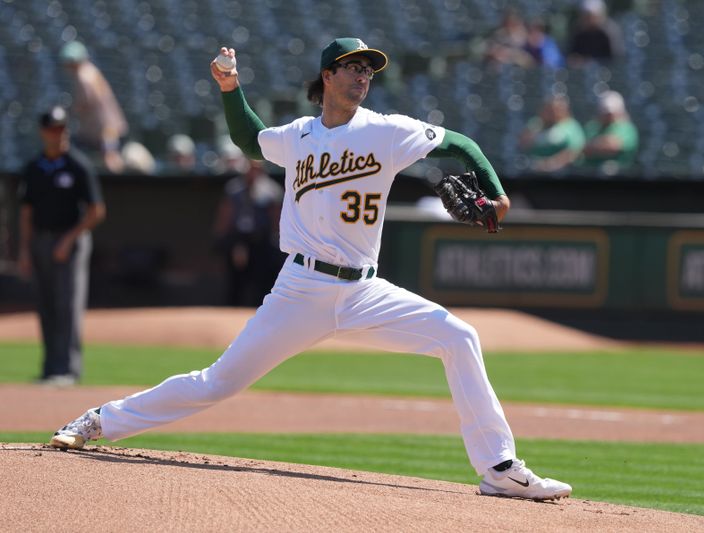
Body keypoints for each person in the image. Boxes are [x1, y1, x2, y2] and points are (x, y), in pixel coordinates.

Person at [49, 38, 572, 502]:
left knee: (458, 337)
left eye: (369, 69)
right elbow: (248, 139)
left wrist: (497, 194)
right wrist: (230, 86)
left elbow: (463, 145)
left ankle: (499, 468)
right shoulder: (298, 136)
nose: (364, 75)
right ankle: (99, 422)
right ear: (327, 76)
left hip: (366, 292)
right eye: (353, 67)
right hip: (301, 288)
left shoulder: (388, 132)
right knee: (217, 383)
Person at [17, 106, 106, 386]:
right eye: (54, 129)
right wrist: (24, 249)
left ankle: (67, 369)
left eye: (63, 128)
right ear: (44, 132)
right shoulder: (34, 168)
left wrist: (70, 239)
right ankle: (49, 368)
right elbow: (26, 211)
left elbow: (96, 210)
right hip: (41, 240)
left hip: (71, 241)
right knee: (45, 303)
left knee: (68, 303)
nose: (59, 134)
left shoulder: (78, 165)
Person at [213, 155, 284, 306]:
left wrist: (277, 240)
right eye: (251, 168)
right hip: (237, 239)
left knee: (262, 279)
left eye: (257, 169)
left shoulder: (271, 190)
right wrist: (221, 235)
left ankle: (259, 310)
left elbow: (276, 218)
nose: (253, 172)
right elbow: (226, 213)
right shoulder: (234, 188)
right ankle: (230, 311)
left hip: (261, 241)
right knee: (235, 279)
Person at [59, 41, 129, 174]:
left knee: (110, 158)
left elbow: (85, 102)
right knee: (110, 156)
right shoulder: (91, 70)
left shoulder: (83, 76)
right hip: (107, 126)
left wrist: (71, 111)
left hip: (102, 128)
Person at [518, 95, 585, 172]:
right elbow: (523, 143)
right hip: (533, 168)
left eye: (558, 109)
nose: (554, 112)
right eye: (550, 109)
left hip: (562, 170)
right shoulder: (537, 123)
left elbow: (574, 152)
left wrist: (549, 165)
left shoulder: (571, 126)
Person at [579, 90, 639, 173]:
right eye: (605, 112)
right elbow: (580, 147)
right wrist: (604, 143)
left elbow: (613, 147)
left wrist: (594, 145)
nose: (609, 116)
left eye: (611, 113)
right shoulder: (592, 126)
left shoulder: (626, 128)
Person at [566, 0, 625, 66]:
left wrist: (588, 61)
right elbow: (572, 54)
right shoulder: (579, 32)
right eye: (585, 16)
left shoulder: (609, 33)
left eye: (589, 16)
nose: (587, 19)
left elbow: (615, 59)